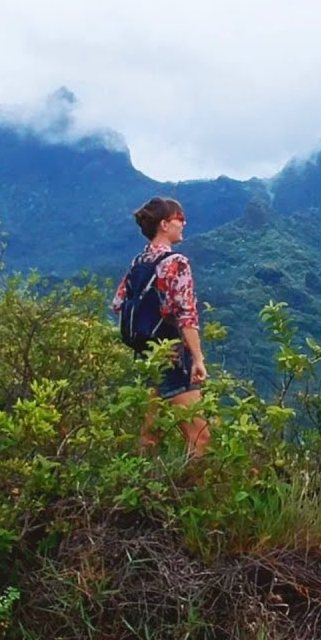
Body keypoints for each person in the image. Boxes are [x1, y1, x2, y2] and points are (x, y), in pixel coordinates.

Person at [112, 197, 211, 460]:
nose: (184, 223)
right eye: (180, 218)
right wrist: (197, 358)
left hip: (146, 355)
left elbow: (118, 303)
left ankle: (142, 488)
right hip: (172, 354)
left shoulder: (138, 262)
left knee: (150, 435)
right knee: (200, 436)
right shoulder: (176, 262)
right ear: (165, 224)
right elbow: (186, 315)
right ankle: (193, 493)